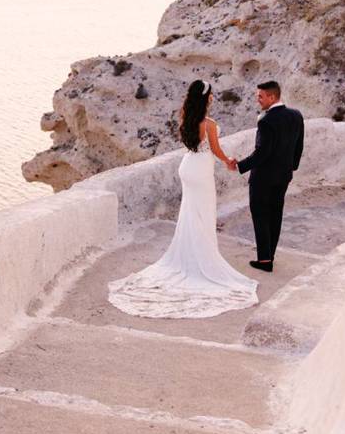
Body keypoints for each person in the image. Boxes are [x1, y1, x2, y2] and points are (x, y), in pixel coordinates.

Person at [106, 79, 259, 319]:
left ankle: (191, 255)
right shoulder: (209, 124)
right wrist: (229, 161)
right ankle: (203, 259)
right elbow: (216, 150)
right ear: (206, 97)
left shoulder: (187, 118)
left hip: (188, 166)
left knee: (190, 213)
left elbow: (194, 145)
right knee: (203, 213)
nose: (213, 97)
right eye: (211, 94)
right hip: (201, 171)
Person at [236, 81, 304, 272]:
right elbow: (298, 146)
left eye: (261, 96)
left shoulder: (266, 121)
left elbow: (262, 153)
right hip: (284, 176)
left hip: (263, 179)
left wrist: (240, 165)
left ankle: (264, 260)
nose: (257, 99)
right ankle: (269, 256)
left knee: (260, 216)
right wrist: (291, 168)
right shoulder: (296, 115)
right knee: (275, 215)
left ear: (272, 97)